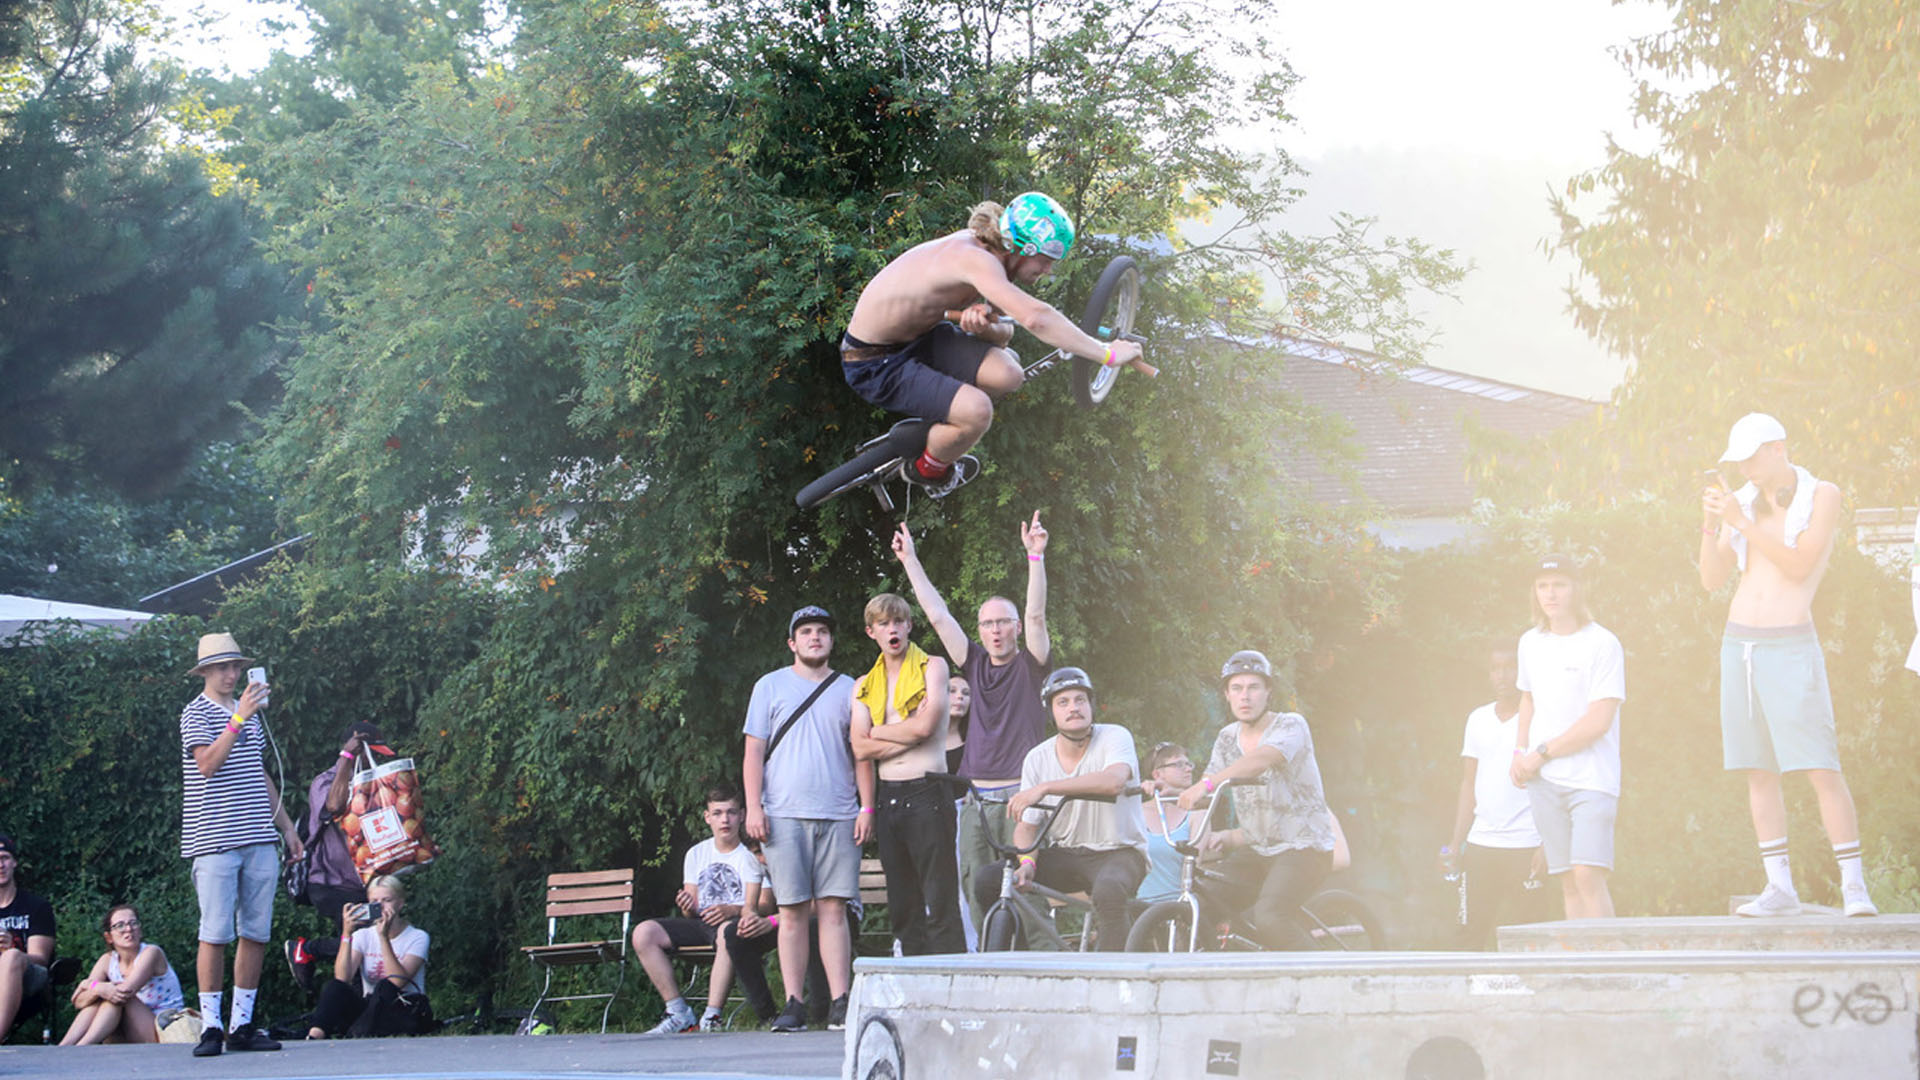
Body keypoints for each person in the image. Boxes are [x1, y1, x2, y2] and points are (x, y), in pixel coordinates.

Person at [839, 193, 1155, 496]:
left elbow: (1005, 334)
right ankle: (927, 470)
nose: (1047, 271)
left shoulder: (997, 258)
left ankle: (949, 420)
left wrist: (983, 325)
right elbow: (1036, 319)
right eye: (1045, 261)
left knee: (1009, 374)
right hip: (873, 362)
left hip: (921, 338)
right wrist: (1107, 354)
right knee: (978, 413)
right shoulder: (975, 259)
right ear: (1023, 247)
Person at [1700, 413, 1876, 916]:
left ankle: (1855, 886)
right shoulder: (1744, 505)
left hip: (1791, 644)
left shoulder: (1822, 494)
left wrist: (1741, 523)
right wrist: (1713, 521)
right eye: (1739, 461)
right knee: (1758, 770)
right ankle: (1780, 887)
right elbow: (1713, 579)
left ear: (1778, 448)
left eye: (1752, 457)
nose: (1746, 469)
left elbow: (1800, 565)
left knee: (1820, 767)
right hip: (1740, 645)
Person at [893, 513, 1052, 935]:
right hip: (977, 798)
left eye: (1003, 622)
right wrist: (910, 560)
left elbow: (1037, 615)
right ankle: (988, 966)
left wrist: (1034, 557)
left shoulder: (1032, 664)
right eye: (987, 623)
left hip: (1023, 792)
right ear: (980, 630)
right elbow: (939, 615)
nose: (995, 630)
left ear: (1015, 627)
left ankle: (1040, 968)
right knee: (976, 886)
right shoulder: (973, 661)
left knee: (1027, 886)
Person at [741, 606, 870, 1033]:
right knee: (792, 910)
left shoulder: (851, 689)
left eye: (823, 631)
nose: (816, 637)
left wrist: (866, 808)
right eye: (807, 631)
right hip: (782, 813)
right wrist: (754, 807)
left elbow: (862, 754)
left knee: (834, 910)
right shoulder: (770, 685)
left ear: (832, 641)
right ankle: (793, 1003)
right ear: (792, 642)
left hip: (838, 813)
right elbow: (753, 752)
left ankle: (840, 1001)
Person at [178, 632, 303, 1055]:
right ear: (206, 672)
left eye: (234, 667)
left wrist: (286, 827)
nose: (231, 674)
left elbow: (259, 773)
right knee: (214, 933)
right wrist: (239, 718)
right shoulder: (196, 712)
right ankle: (211, 1026)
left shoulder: (249, 714)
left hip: (257, 836)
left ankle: (242, 1024)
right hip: (214, 838)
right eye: (221, 668)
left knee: (256, 931)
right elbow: (208, 764)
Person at [974, 667, 1146, 952]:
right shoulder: (1037, 758)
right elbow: (1028, 825)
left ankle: (1111, 979)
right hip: (1067, 854)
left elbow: (1113, 782)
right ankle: (1016, 962)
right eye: (1063, 702)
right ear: (1051, 712)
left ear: (1091, 705)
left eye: (1080, 700)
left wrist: (1047, 787)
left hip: (1120, 851)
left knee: (1108, 891)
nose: (1074, 708)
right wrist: (1027, 862)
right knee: (990, 879)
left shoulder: (1115, 737)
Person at [1175, 651, 1339, 948]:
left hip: (1303, 848)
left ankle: (1327, 980)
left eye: (1254, 688)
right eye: (1237, 689)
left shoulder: (1291, 725)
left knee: (1271, 917)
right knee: (1199, 909)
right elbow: (1206, 785)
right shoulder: (1226, 737)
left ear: (1268, 693)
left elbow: (1261, 760)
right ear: (1226, 695)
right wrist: (1169, 794)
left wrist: (1209, 783)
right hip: (1258, 849)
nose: (1245, 696)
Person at [1508, 554, 1626, 921]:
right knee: (1568, 882)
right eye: (1543, 586)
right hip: (1544, 782)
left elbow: (1599, 721)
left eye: (1559, 584)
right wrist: (1519, 750)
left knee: (1588, 873)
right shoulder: (1529, 642)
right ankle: (1581, 968)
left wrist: (1540, 754)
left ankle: (1609, 968)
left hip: (1593, 780)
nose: (1551, 593)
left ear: (1576, 589)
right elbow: (1527, 697)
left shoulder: (1603, 643)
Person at [849, 593, 964, 956]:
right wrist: (909, 730)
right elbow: (859, 748)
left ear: (909, 625)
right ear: (872, 632)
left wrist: (879, 731)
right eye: (884, 623)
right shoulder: (864, 685)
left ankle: (952, 990)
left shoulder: (933, 667)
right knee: (903, 905)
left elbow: (927, 729)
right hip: (889, 799)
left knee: (940, 900)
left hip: (928, 793)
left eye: (899, 621)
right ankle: (915, 990)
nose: (892, 629)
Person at [631, 783, 767, 1036]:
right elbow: (690, 913)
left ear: (742, 815)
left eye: (731, 812)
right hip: (701, 922)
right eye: (717, 813)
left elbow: (766, 903)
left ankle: (711, 1015)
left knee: (727, 931)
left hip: (734, 926)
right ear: (707, 818)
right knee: (643, 932)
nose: (724, 819)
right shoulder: (696, 853)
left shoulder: (749, 855)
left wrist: (732, 909)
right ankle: (678, 1012)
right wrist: (686, 905)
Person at [1441, 644, 1551, 949]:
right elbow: (1468, 783)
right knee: (1467, 934)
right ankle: (1467, 996)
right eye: (1495, 668)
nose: (1502, 676)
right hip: (1481, 844)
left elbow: (1553, 783)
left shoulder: (1539, 720)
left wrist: (1546, 843)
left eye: (1510, 667)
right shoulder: (1477, 719)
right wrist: (1455, 843)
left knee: (1531, 939)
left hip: (1526, 845)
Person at [287, 722, 391, 994]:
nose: (376, 760)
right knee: (363, 941)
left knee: (375, 940)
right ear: (359, 751)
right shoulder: (324, 782)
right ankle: (305, 949)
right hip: (330, 881)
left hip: (364, 884)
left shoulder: (377, 786)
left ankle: (359, 1015)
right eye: (371, 753)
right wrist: (347, 758)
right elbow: (333, 806)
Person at [305, 875, 431, 1039]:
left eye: (386, 900)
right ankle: (316, 1034)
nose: (380, 906)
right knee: (335, 987)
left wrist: (383, 938)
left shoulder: (417, 937)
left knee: (385, 986)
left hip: (403, 1008)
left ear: (400, 904)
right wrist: (347, 934)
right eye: (374, 901)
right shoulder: (363, 935)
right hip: (370, 1009)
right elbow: (343, 977)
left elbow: (398, 981)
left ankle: (358, 1032)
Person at [60, 903, 184, 1045]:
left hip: (162, 1032)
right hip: (127, 1027)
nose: (128, 929)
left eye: (133, 923)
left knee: (117, 996)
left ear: (140, 930)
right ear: (109, 937)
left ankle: (82, 1047)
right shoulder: (107, 960)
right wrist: (97, 988)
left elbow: (125, 992)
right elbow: (78, 1001)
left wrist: (89, 985)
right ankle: (64, 1046)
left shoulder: (152, 953)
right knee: (99, 998)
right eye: (120, 925)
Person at [0, 834, 56, 1039]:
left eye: (5, 858)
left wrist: (12, 947)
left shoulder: (36, 906)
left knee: (11, 958)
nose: (0, 865)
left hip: (29, 977)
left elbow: (40, 958)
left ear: (14, 862)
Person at [1135, 743, 1196, 906]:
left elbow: (1197, 867)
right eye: (1178, 764)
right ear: (1157, 774)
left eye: (1188, 764)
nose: (1188, 769)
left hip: (1180, 910)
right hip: (1141, 911)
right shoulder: (1136, 814)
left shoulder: (1196, 815)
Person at [945, 674, 971, 775]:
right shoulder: (921, 737)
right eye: (952, 691)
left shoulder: (975, 741)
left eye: (966, 693)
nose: (960, 696)